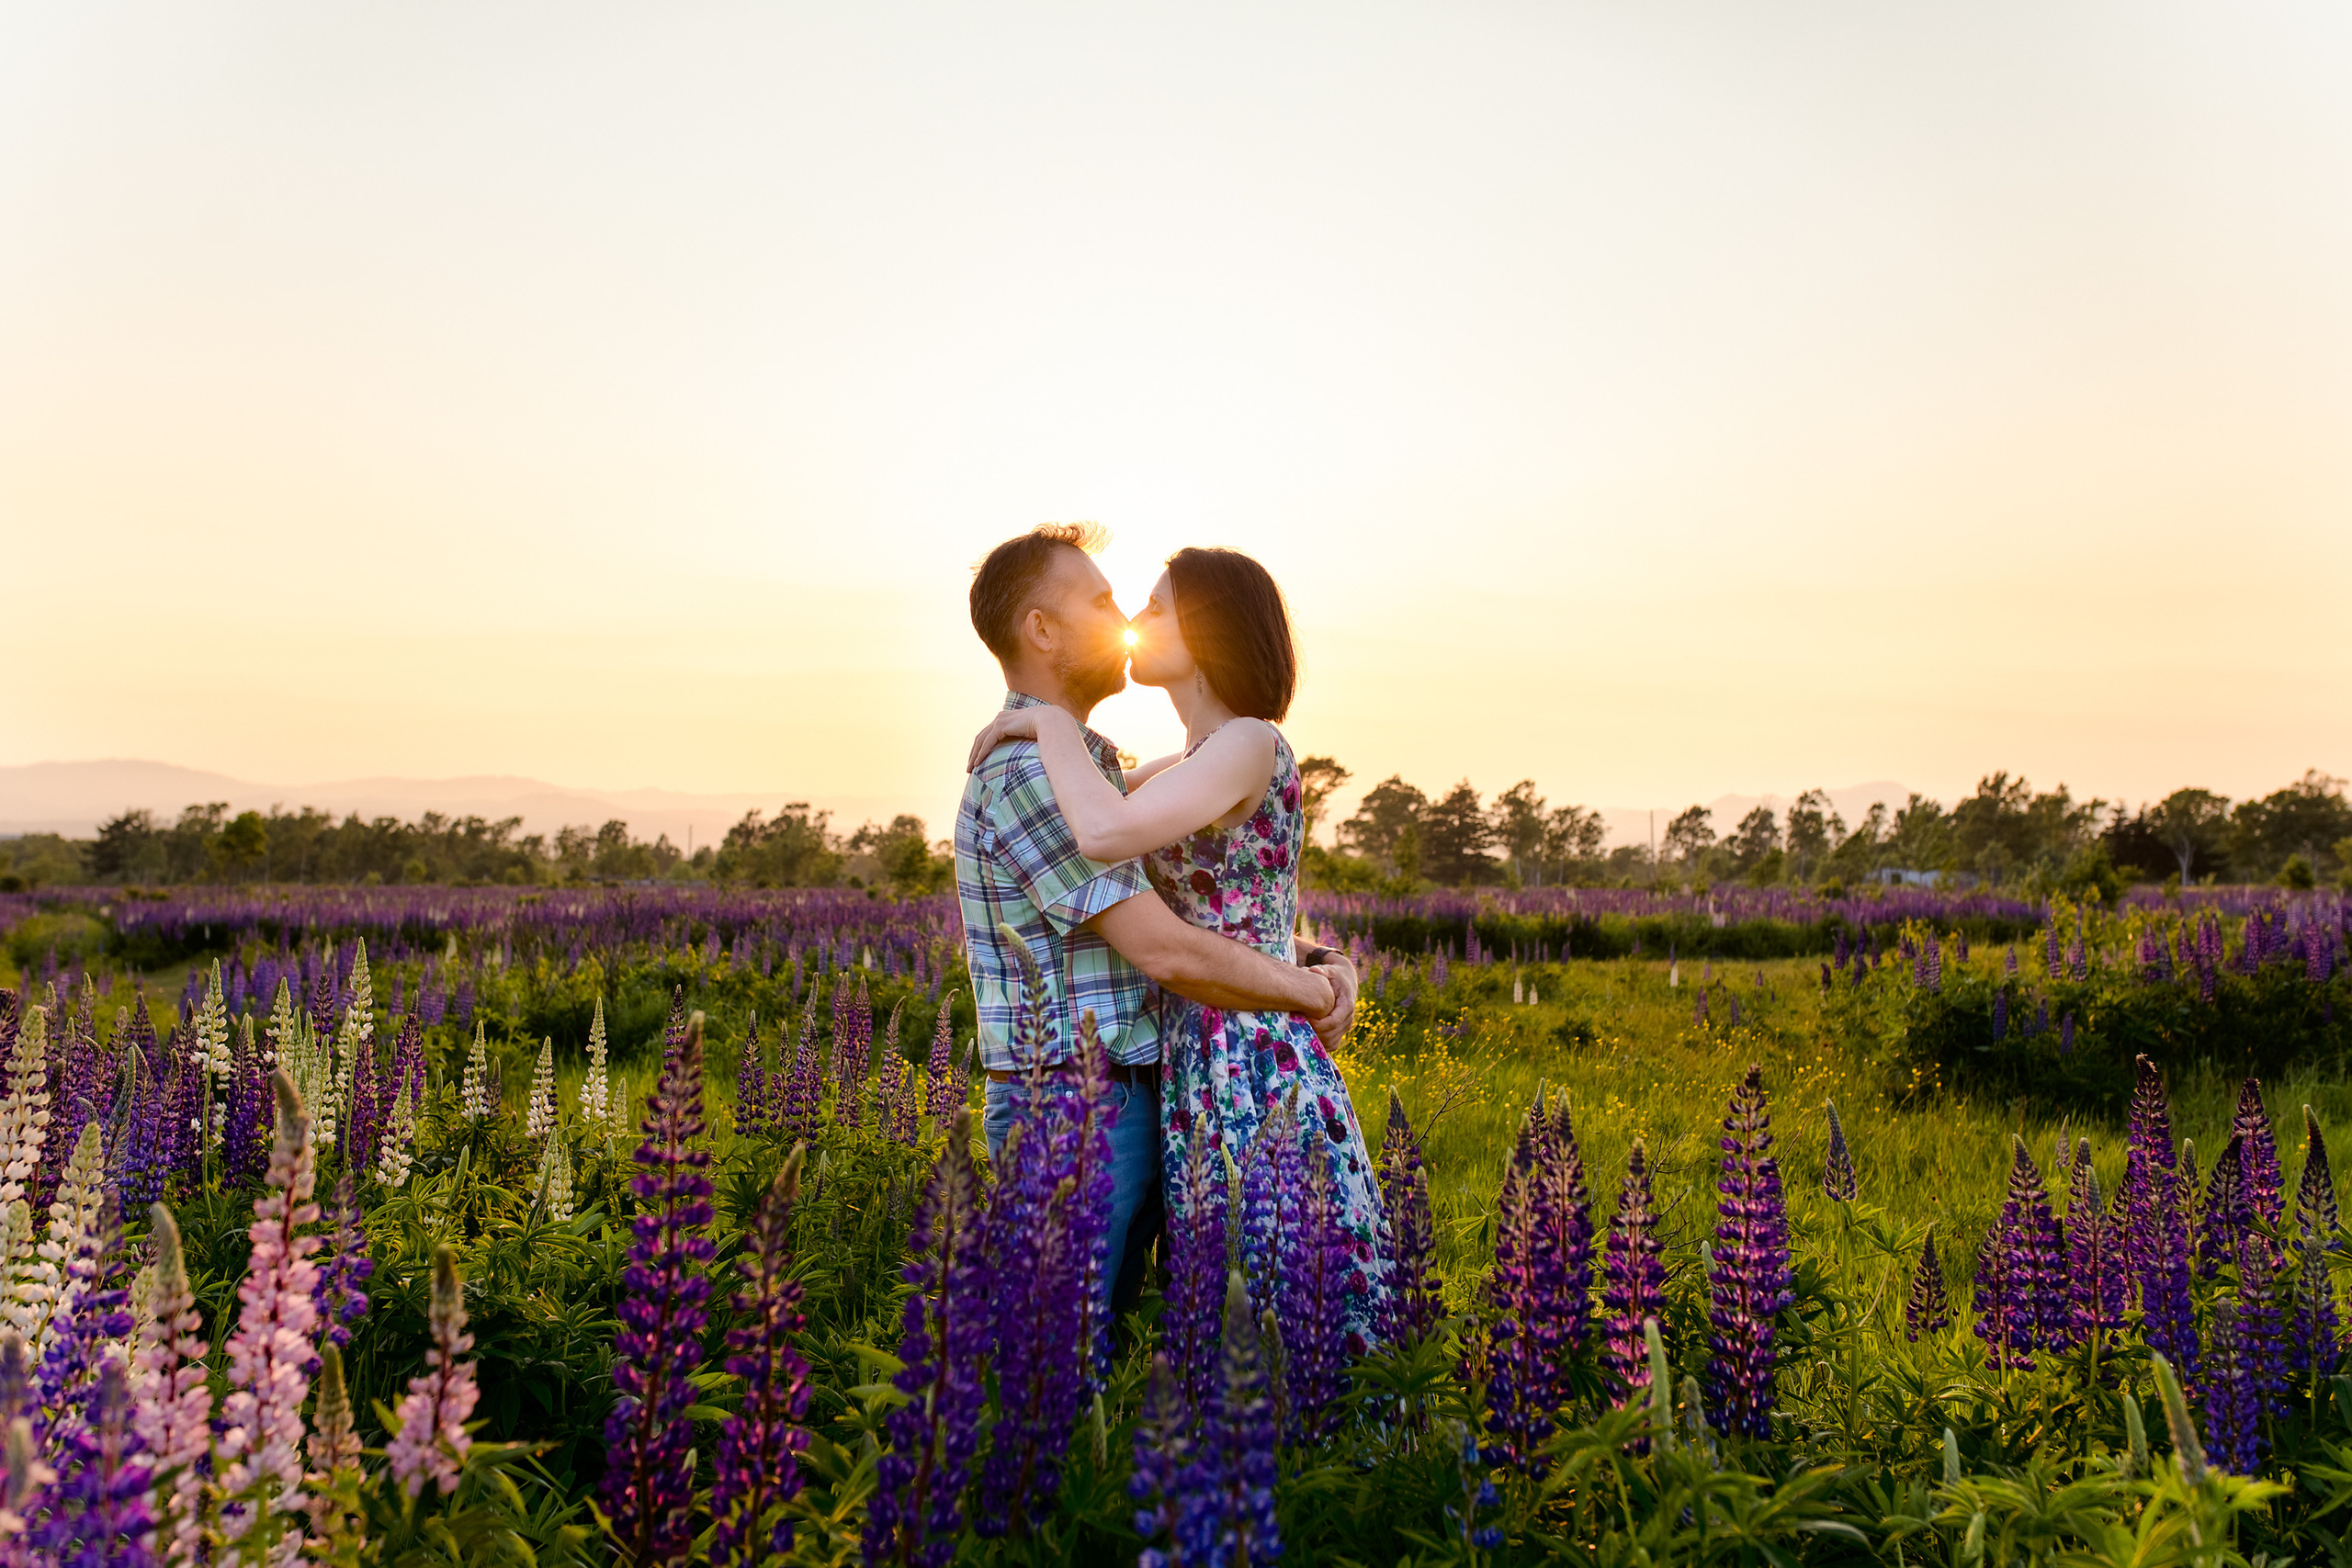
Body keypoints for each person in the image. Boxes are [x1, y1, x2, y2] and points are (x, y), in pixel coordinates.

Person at [967, 543, 1387, 1350]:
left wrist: (1049, 719)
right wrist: (1316, 964)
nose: (1131, 620)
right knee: (1215, 1307)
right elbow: (1206, 904)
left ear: (1210, 629)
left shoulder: (1248, 740)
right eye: (1119, 605)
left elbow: (1110, 837)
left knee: (1286, 1291)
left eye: (1153, 607)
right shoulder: (1170, 764)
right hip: (1183, 1059)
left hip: (1249, 1050)